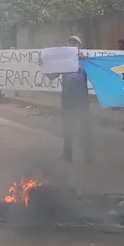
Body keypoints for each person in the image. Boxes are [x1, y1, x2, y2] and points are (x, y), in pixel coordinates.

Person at [47, 35, 92, 163]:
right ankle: (67, 155)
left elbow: (96, 75)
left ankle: (88, 156)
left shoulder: (85, 61)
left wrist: (86, 61)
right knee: (68, 129)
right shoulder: (63, 63)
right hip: (67, 100)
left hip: (82, 100)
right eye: (70, 43)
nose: (72, 45)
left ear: (79, 46)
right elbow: (51, 76)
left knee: (86, 129)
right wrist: (44, 66)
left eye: (75, 43)